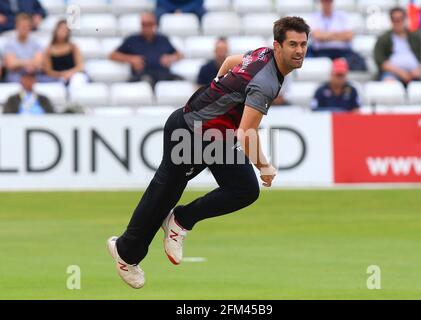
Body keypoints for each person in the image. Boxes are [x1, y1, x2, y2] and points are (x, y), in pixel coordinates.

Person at [107, 16, 311, 289]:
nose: (299, 50)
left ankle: (181, 220)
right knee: (164, 192)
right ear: (278, 46)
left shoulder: (263, 54)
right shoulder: (266, 82)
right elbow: (246, 134)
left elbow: (228, 63)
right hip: (190, 132)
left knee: (244, 189)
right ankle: (125, 252)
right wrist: (265, 167)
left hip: (215, 137)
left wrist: (217, 90)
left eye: (303, 44)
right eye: (293, 44)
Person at [109, 11, 183, 87]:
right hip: (142, 75)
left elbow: (179, 54)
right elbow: (112, 55)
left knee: (179, 80)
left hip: (162, 74)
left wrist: (170, 58)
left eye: (149, 24)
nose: (147, 27)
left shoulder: (163, 39)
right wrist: (131, 59)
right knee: (146, 80)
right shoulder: (132, 40)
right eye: (144, 24)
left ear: (155, 24)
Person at [374, 7, 421, 86]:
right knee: (389, 83)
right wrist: (401, 72)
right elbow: (381, 62)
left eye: (400, 19)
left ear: (405, 19)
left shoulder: (416, 36)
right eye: (395, 19)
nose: (398, 22)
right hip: (392, 73)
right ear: (391, 20)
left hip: (416, 73)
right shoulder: (383, 39)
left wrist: (419, 70)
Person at [309, 0, 366, 70]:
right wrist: (339, 35)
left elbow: (349, 35)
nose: (327, 3)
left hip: (343, 52)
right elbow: (317, 36)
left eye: (329, 1)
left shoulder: (342, 16)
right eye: (324, 1)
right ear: (320, 2)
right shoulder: (315, 17)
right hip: (321, 52)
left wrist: (325, 36)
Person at [43, 20, 89, 94]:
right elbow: (48, 70)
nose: (63, 32)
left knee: (77, 81)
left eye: (65, 29)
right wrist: (61, 74)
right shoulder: (49, 50)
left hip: (74, 76)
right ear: (56, 30)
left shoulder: (73, 47)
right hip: (57, 78)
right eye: (61, 29)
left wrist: (70, 73)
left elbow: (80, 66)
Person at [3, 13, 45, 83]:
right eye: (22, 26)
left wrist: (19, 63)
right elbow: (11, 64)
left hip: (34, 75)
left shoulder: (37, 43)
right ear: (16, 26)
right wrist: (30, 63)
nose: (24, 28)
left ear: (30, 27)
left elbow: (39, 63)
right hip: (16, 76)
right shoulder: (9, 44)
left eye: (26, 26)